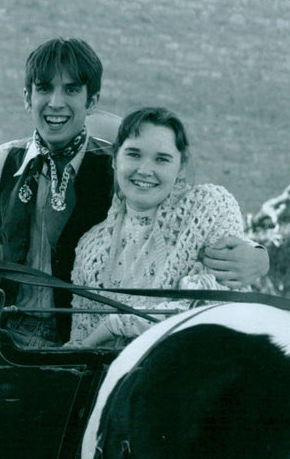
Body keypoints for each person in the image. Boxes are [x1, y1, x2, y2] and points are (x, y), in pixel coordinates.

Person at [0, 38, 268, 347]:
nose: (56, 103)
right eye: (44, 89)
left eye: (71, 90)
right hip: (6, 332)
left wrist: (259, 255)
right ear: (27, 97)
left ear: (91, 100)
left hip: (84, 336)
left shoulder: (119, 166)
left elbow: (186, 208)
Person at [70, 107, 248, 348]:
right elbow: (81, 344)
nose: (144, 170)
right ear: (115, 159)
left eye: (162, 159)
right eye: (133, 154)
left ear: (181, 166)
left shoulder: (210, 207)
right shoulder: (89, 247)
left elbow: (213, 303)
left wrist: (115, 324)